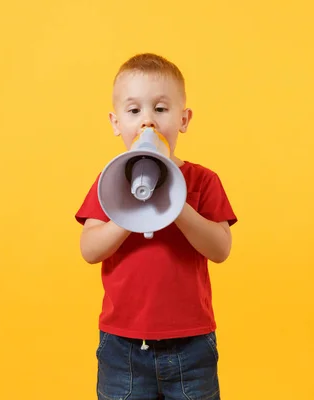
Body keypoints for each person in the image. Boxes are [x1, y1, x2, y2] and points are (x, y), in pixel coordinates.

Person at [75, 53, 237, 400]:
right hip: (123, 348)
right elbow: (89, 249)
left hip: (191, 345)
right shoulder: (110, 182)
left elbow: (221, 249)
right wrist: (128, 212)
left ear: (183, 118)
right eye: (134, 111)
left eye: (160, 109)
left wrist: (177, 206)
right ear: (116, 122)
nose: (147, 122)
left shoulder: (203, 181)